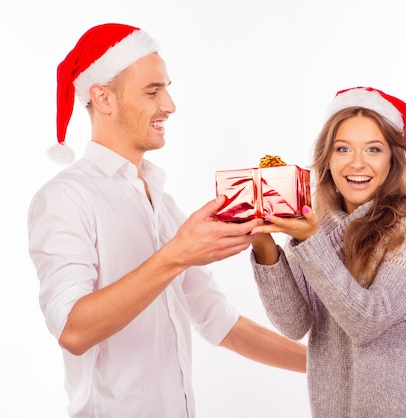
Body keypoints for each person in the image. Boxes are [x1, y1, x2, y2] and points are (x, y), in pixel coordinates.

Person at [27, 23, 306, 418]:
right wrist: (176, 254)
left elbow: (217, 320)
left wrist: (327, 367)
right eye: (153, 90)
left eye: (167, 88)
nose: (170, 105)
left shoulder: (161, 201)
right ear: (103, 98)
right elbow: (73, 330)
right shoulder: (65, 198)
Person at [249, 86, 406, 417]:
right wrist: (262, 240)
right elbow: (294, 323)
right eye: (343, 149)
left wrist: (310, 240)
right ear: (328, 159)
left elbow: (368, 320)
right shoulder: (316, 227)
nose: (357, 163)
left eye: (373, 149)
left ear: (392, 159)